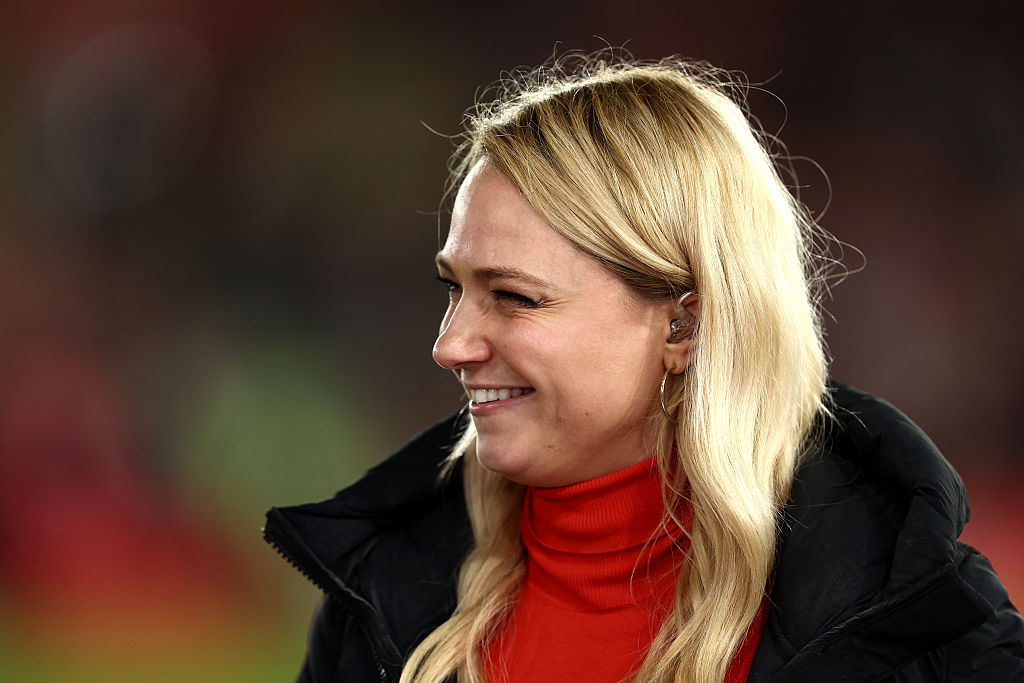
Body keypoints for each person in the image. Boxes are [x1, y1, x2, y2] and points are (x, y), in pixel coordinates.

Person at [264, 54, 1024, 682]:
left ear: (684, 322)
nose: (451, 343)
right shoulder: (379, 600)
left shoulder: (918, 626)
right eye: (454, 289)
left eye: (515, 297)